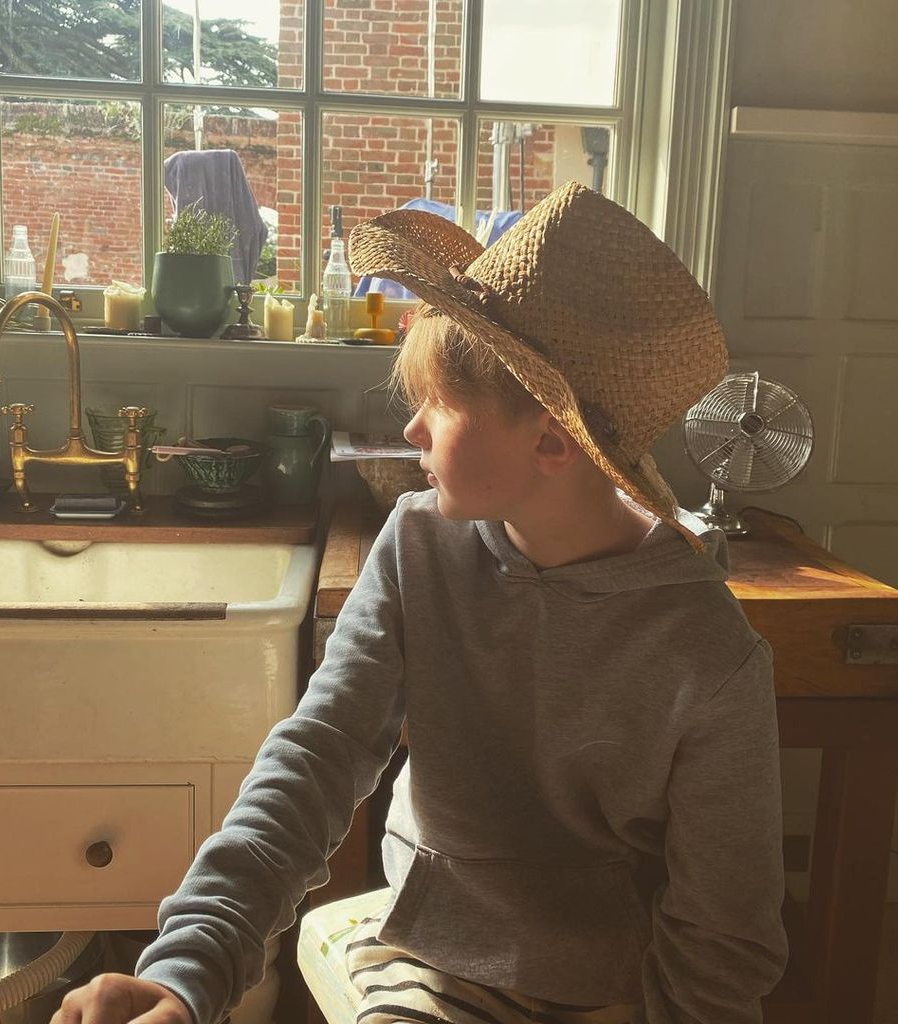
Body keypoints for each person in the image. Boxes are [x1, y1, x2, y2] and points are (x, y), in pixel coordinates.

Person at [52, 181, 788, 1024]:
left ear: (550, 436)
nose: (411, 432)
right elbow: (318, 755)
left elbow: (723, 934)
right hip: (425, 946)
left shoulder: (706, 651)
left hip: (602, 983)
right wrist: (188, 970)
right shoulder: (417, 545)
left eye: (438, 404)